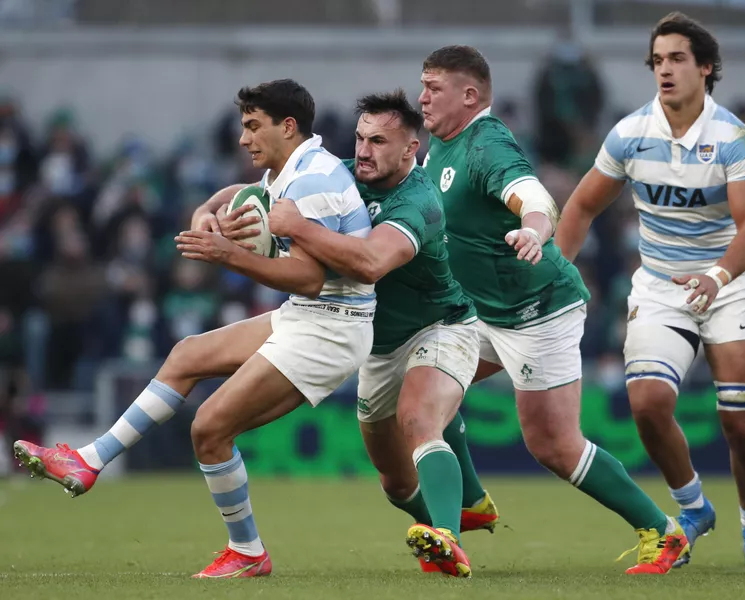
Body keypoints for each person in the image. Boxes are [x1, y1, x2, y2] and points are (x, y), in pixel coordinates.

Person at [14, 79, 377, 578]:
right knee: (186, 354)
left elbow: (311, 279)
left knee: (209, 429)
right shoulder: (292, 168)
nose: (244, 138)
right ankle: (88, 460)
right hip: (311, 317)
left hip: (331, 328)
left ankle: (248, 553)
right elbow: (240, 193)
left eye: (253, 127)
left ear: (288, 127)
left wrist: (228, 255)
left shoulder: (311, 181)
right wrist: (207, 210)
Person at [418, 44, 688, 574]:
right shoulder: (440, 145)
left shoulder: (487, 143)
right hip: (482, 313)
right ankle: (464, 510)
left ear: (469, 95)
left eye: (433, 86)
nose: (421, 96)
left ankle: (663, 532)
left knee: (554, 446)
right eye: (422, 84)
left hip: (537, 311)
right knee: (424, 388)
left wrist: (535, 230)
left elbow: (534, 196)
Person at [555, 12, 745, 569]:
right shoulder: (631, 133)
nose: (665, 70)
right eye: (657, 60)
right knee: (649, 403)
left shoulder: (733, 137)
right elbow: (581, 205)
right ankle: (694, 507)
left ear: (706, 67)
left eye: (677, 58)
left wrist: (717, 277)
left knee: (740, 423)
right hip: (660, 287)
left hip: (728, 285)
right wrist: (556, 271)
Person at [268, 90, 494, 578]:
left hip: (442, 327)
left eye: (378, 141)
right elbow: (259, 187)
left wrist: (299, 228)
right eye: (359, 137)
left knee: (419, 420)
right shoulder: (344, 174)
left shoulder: (421, 201)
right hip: (379, 346)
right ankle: (448, 518)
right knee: (394, 481)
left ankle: (449, 540)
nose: (364, 150)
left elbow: (370, 264)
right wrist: (215, 206)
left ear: (410, 149)